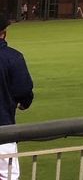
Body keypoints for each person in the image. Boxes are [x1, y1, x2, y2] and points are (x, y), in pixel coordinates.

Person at [0, 17, 34, 180]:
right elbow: (24, 90)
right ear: (3, 34)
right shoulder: (13, 57)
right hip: (3, 130)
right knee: (8, 176)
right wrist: (24, 103)